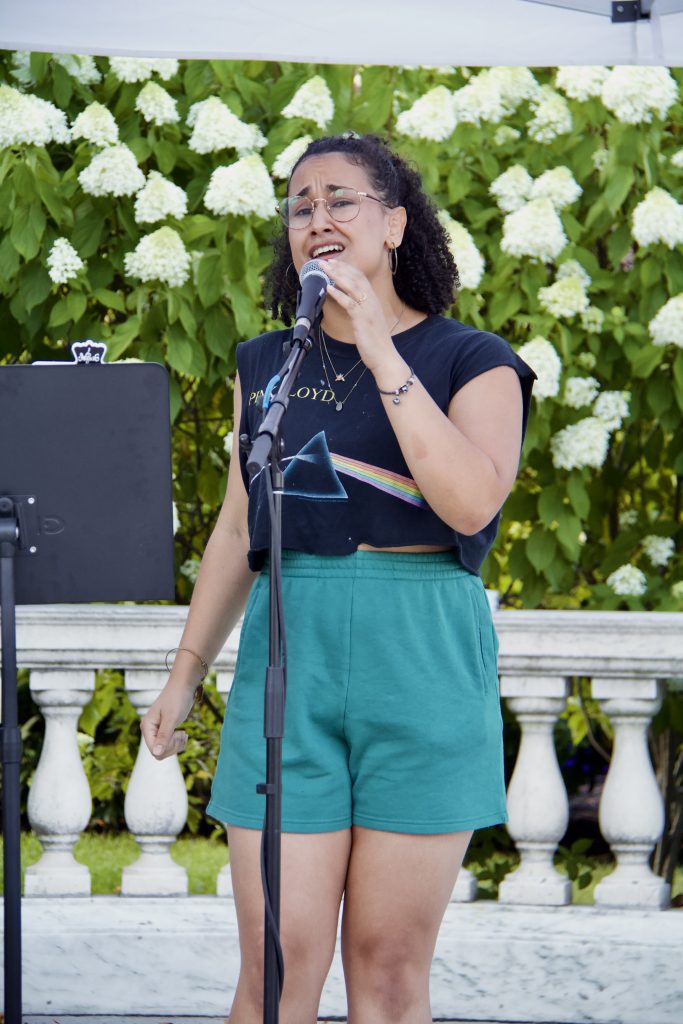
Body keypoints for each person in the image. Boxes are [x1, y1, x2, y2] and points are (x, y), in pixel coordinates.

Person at [141, 133, 535, 1024]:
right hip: (293, 644)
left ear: (395, 223)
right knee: (278, 963)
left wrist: (379, 350)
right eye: (299, 205)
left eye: (340, 200)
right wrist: (186, 669)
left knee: (388, 969)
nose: (316, 218)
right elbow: (242, 522)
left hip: (420, 650)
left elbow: (470, 504)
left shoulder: (474, 361)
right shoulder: (264, 365)